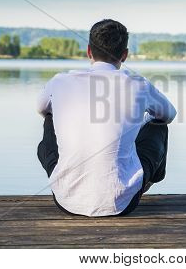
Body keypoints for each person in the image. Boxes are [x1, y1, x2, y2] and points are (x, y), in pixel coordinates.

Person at [36, 19, 176, 217]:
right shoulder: (138, 84)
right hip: (122, 203)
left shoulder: (59, 82)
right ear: (125, 55)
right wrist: (138, 119)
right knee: (158, 125)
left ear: (89, 51)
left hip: (65, 201)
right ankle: (144, 182)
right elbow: (169, 115)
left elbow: (40, 109)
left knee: (49, 116)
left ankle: (70, 180)